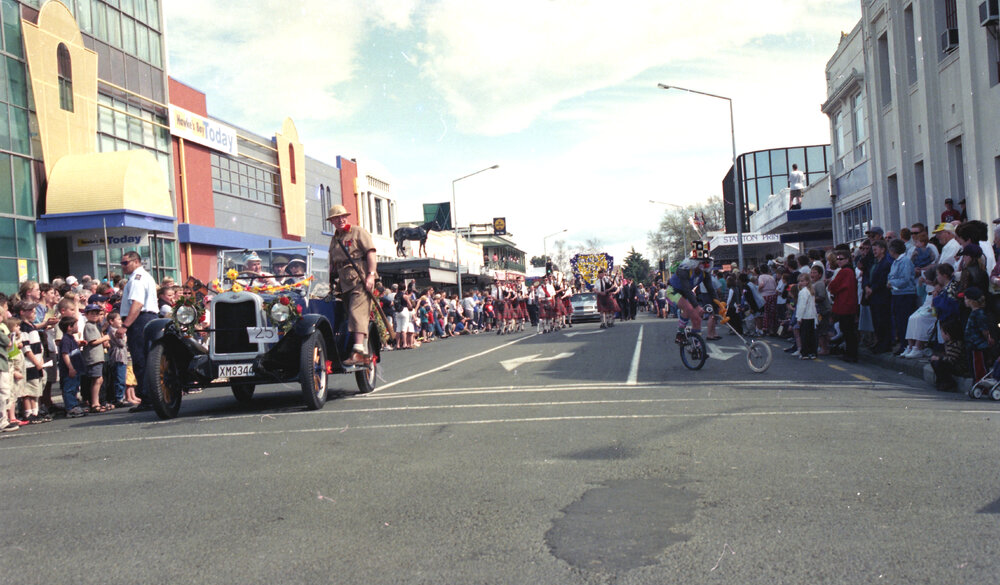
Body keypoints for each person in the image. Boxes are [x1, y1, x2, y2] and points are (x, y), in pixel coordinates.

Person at [326, 204, 378, 366]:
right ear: (332, 221)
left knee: (357, 311)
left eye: (343, 217)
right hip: (344, 282)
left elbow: (371, 252)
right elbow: (333, 263)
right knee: (348, 315)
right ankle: (361, 350)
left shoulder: (357, 232)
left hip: (360, 279)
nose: (340, 220)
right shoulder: (335, 239)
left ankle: (358, 351)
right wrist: (328, 281)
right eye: (336, 218)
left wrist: (371, 275)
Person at [117, 250, 159, 413]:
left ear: (135, 262)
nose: (123, 266)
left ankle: (147, 398)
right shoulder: (144, 277)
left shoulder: (136, 279)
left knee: (141, 359)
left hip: (140, 320)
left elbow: (137, 304)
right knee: (148, 359)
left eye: (125, 263)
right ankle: (151, 396)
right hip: (147, 318)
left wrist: (125, 325)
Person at [886, 239, 917, 355]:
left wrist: (892, 283)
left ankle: (908, 345)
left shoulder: (905, 261)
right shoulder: (895, 262)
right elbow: (890, 276)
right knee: (899, 321)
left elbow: (905, 278)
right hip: (896, 294)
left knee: (904, 321)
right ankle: (904, 344)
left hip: (905, 294)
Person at [828, 251, 859, 362]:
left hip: (845, 304)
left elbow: (834, 286)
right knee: (848, 330)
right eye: (838, 259)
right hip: (847, 303)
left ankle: (851, 354)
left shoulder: (845, 271)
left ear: (847, 259)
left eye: (841, 259)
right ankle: (850, 353)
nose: (839, 261)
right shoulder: (848, 271)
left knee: (848, 331)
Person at [865, 240, 893, 353]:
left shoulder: (886, 263)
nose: (874, 252)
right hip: (872, 296)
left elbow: (883, 280)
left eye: (876, 250)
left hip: (881, 296)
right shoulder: (873, 263)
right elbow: (867, 275)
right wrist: (866, 286)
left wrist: (873, 289)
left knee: (883, 320)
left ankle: (885, 343)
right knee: (876, 321)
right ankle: (879, 342)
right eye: (873, 250)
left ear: (883, 250)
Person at [56, 316, 87, 418]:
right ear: (69, 327)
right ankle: (71, 408)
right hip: (69, 370)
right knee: (69, 388)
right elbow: (65, 354)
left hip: (76, 368)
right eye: (75, 325)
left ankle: (75, 405)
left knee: (74, 388)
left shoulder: (71, 338)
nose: (77, 327)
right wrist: (70, 368)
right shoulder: (65, 339)